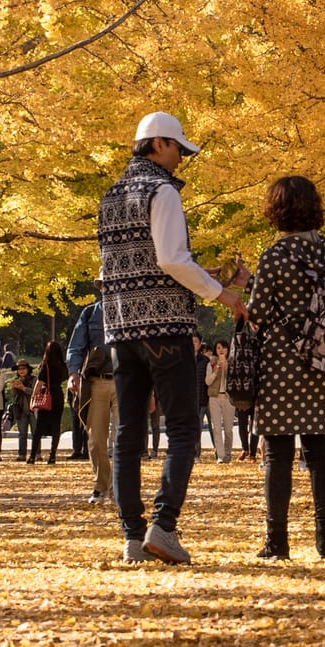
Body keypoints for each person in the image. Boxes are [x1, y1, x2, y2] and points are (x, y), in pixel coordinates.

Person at [98, 111, 248, 565]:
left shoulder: (110, 196)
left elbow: (131, 264)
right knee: (183, 428)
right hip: (166, 328)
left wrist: (212, 276)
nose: (181, 158)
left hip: (122, 327)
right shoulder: (161, 190)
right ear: (158, 144)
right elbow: (170, 260)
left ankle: (131, 535)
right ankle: (164, 526)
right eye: (178, 148)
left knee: (127, 431)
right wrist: (224, 294)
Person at [247, 176, 325, 559]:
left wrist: (246, 288)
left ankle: (277, 542)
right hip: (321, 361)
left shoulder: (273, 256)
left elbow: (257, 312)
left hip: (281, 363)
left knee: (278, 454)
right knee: (320, 453)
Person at [66, 298, 117, 502]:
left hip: (126, 381)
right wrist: (73, 373)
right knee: (96, 440)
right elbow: (76, 345)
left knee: (124, 438)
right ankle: (101, 484)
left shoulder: (132, 308)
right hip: (97, 382)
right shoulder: (89, 314)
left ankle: (119, 487)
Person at [28, 341, 66, 464]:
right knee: (56, 426)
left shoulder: (46, 365)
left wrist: (33, 397)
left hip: (47, 394)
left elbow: (39, 382)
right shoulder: (62, 365)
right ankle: (52, 455)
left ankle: (32, 455)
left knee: (39, 427)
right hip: (58, 395)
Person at [205, 338, 236, 463]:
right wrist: (216, 370)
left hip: (229, 397)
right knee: (216, 428)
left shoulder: (233, 363)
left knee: (228, 429)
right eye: (218, 348)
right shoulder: (211, 363)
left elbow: (236, 381)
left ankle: (228, 453)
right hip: (214, 397)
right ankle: (221, 456)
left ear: (228, 349)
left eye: (223, 347)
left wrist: (228, 368)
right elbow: (207, 381)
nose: (221, 350)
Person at [10, 360, 36, 461]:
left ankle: (36, 453)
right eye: (19, 369)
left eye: (23, 368)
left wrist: (24, 388)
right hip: (20, 410)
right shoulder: (15, 380)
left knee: (35, 433)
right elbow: (12, 396)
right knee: (22, 434)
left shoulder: (34, 379)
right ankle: (22, 454)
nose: (21, 371)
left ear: (28, 369)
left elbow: (35, 392)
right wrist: (14, 388)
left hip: (33, 409)